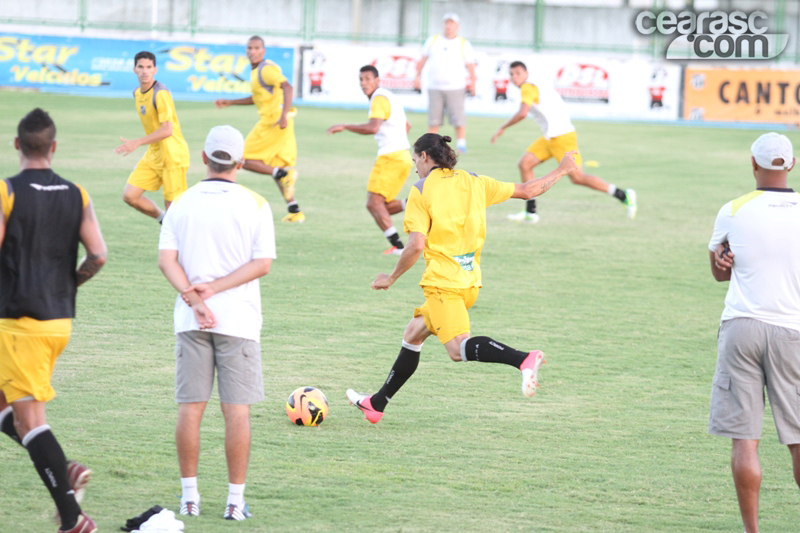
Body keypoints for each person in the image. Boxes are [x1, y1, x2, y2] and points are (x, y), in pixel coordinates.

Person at [346, 134, 577, 424]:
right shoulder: (474, 181)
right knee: (414, 333)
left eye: (415, 160)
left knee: (457, 349)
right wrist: (562, 170)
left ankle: (523, 359)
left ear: (425, 157)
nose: (415, 167)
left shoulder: (421, 190)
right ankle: (376, 404)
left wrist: (390, 278)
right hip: (469, 282)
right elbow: (527, 190)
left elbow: (416, 245)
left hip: (444, 285)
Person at [158, 125, 275, 521]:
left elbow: (166, 261)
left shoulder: (181, 201)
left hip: (190, 321)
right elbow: (262, 264)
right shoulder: (256, 203)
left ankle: (189, 497)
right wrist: (215, 290)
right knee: (236, 413)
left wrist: (195, 299)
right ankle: (234, 502)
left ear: (204, 158)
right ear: (241, 162)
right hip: (238, 320)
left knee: (190, 410)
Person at [0, 108, 107, 533]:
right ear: (54, 147)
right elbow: (98, 255)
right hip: (57, 321)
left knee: (30, 422)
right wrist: (67, 285)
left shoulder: (7, 192)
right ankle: (65, 469)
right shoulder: (77, 194)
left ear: (17, 145)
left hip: (19, 324)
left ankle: (73, 519)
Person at [708, 132, 800, 533]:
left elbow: (719, 272)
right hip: (793, 331)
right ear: (792, 164)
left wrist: (723, 262)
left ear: (752, 163)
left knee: (745, 440)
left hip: (741, 327)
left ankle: (752, 531)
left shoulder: (733, 209)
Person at [491, 61, 637, 223]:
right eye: (511, 74)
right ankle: (531, 213)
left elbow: (523, 113)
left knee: (578, 178)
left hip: (562, 137)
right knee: (525, 164)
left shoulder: (527, 88)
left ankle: (623, 195)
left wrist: (502, 127)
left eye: (518, 73)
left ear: (526, 74)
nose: (514, 77)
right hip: (550, 137)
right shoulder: (535, 86)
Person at [214, 35, 305, 223]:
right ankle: (294, 210)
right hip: (278, 122)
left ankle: (283, 175)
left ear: (263, 51)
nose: (252, 51)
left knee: (243, 159)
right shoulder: (257, 71)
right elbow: (256, 98)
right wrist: (230, 102)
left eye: (256, 48)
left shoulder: (266, 69)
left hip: (273, 122)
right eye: (249, 48)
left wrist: (283, 115)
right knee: (274, 166)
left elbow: (288, 87)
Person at [326, 65, 413, 255]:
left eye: (367, 79)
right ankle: (416, 203)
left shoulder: (378, 98)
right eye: (361, 79)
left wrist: (345, 126)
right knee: (380, 206)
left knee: (373, 204)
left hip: (391, 157)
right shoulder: (389, 97)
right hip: (402, 156)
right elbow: (407, 125)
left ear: (377, 80)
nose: (363, 83)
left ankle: (399, 247)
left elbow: (373, 128)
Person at [115, 51, 190, 223]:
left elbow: (167, 130)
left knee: (173, 207)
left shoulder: (160, 93)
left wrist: (136, 142)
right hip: (155, 154)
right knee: (130, 196)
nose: (145, 71)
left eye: (149, 67)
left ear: (155, 70)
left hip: (173, 155)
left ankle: (180, 236)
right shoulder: (137, 93)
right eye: (141, 67)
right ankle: (162, 219)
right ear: (134, 69)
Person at [414, 13, 475, 154]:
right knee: (434, 120)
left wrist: (473, 82)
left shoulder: (463, 43)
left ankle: (461, 145)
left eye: (452, 23)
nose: (448, 26)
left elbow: (470, 65)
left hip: (456, 87)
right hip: (434, 87)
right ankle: (430, 145)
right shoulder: (433, 40)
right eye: (447, 23)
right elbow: (422, 60)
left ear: (457, 26)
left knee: (458, 118)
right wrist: (417, 76)